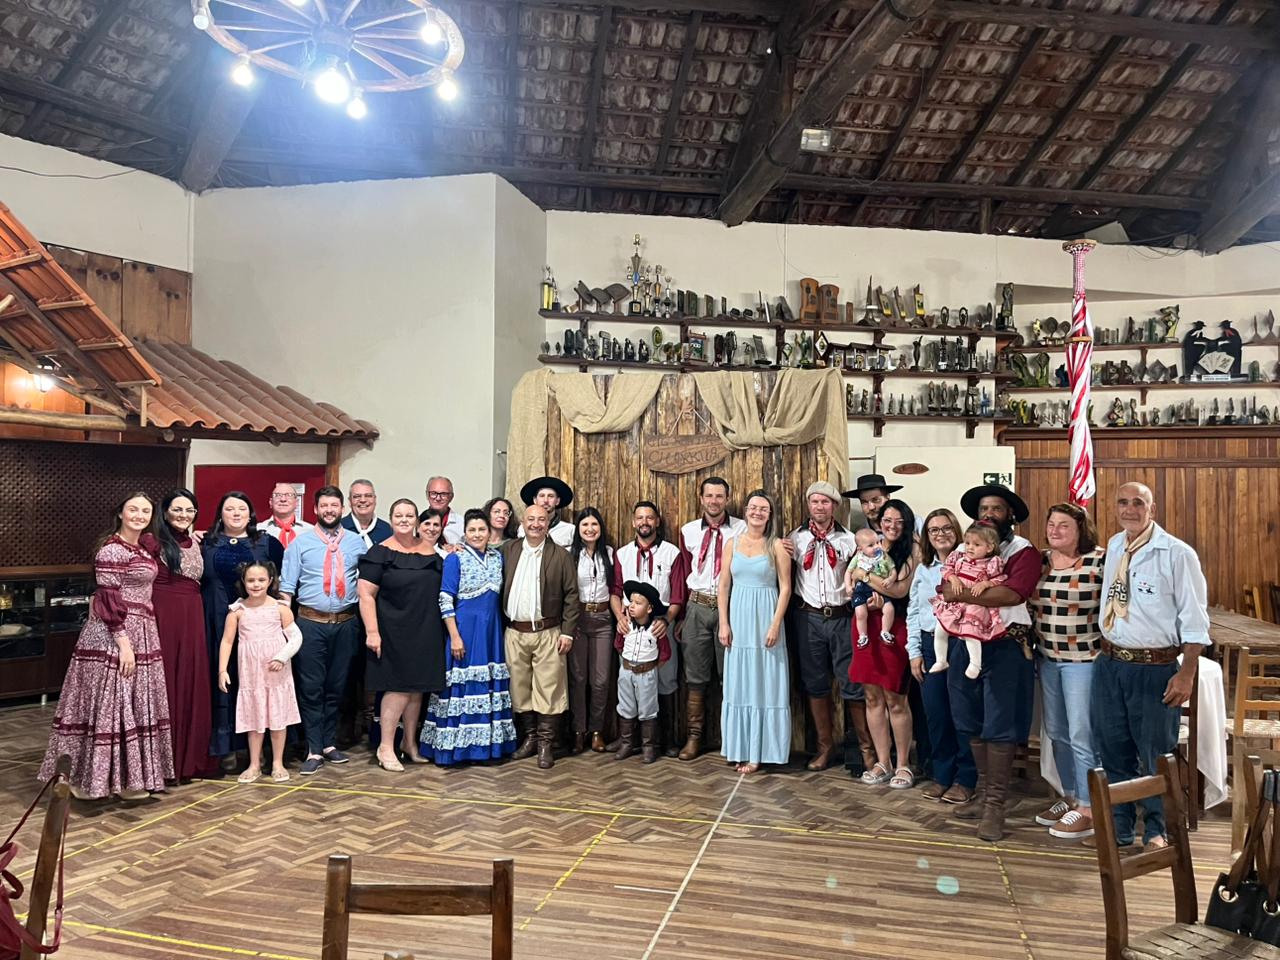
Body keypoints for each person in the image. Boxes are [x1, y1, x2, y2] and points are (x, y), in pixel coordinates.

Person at [1095, 481, 1208, 851]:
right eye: (1123, 502)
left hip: (1154, 667)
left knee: (1155, 754)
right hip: (1110, 663)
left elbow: (1195, 619)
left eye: (1138, 503)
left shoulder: (1177, 554)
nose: (1130, 509)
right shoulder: (1115, 545)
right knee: (1113, 748)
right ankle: (1121, 828)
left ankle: (1158, 829)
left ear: (1152, 509)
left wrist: (1187, 672)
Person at [40, 493, 174, 801]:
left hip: (143, 629)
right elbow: (107, 600)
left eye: (145, 511)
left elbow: (159, 549)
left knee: (131, 704)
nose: (139, 515)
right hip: (114, 634)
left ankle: (125, 779)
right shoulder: (112, 550)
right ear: (120, 513)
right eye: (133, 509)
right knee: (110, 704)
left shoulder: (142, 546)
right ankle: (88, 781)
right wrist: (124, 644)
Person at [945, 483, 1040, 842]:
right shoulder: (965, 549)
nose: (989, 514)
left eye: (997, 509)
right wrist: (976, 593)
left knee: (999, 723)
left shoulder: (1022, 551)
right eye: (984, 508)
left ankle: (996, 806)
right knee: (968, 719)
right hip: (965, 641)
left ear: (1010, 515)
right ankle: (984, 794)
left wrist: (966, 593)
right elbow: (945, 588)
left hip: (1005, 646)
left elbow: (1013, 593)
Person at [280, 485, 367, 776]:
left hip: (345, 623)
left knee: (337, 686)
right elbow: (287, 589)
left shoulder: (356, 543)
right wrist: (283, 628)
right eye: (324, 506)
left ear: (343, 509)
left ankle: (329, 743)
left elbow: (368, 583)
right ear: (316, 509)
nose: (329, 510)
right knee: (311, 687)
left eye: (334, 505)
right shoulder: (300, 544)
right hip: (310, 624)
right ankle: (313, 748)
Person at [1030, 502, 1105, 841]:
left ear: (1080, 530)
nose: (1055, 530)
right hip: (1047, 657)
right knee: (1057, 732)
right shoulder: (1040, 561)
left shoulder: (1098, 560)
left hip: (1084, 660)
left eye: (1064, 525)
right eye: (1051, 524)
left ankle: (1090, 807)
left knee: (1081, 734)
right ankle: (1071, 796)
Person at [421, 509, 516, 765]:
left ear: (489, 532)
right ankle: (458, 749)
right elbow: (445, 598)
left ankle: (486, 748)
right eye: (471, 530)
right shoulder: (456, 558)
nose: (476, 534)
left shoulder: (497, 557)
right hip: (465, 629)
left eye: (481, 529)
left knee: (488, 685)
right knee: (461, 687)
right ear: (464, 532)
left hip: (491, 631)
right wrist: (455, 635)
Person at [359, 498, 446, 771]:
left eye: (409, 515)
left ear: (417, 520)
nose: (404, 520)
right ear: (391, 519)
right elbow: (365, 595)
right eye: (399, 515)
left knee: (416, 689)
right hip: (392, 631)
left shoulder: (431, 551)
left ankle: (409, 743)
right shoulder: (379, 552)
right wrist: (372, 631)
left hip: (426, 628)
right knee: (398, 687)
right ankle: (386, 746)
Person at [202, 491, 283, 766]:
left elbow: (281, 583)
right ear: (220, 514)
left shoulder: (268, 543)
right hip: (215, 621)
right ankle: (225, 746)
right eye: (229, 509)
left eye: (242, 509)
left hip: (257, 626)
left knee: (256, 682)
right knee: (223, 679)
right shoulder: (206, 542)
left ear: (251, 514)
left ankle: (256, 749)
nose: (236, 513)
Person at [718, 490, 792, 774]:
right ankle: (740, 747)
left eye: (763, 508)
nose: (757, 512)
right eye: (753, 507)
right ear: (746, 511)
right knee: (740, 683)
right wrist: (724, 623)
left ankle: (760, 752)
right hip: (739, 620)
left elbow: (785, 588)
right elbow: (724, 586)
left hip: (766, 619)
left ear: (770, 515)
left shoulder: (777, 546)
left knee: (765, 683)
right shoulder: (732, 543)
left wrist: (775, 624)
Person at [501, 504, 580, 769]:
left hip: (548, 632)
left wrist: (567, 632)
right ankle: (530, 738)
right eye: (531, 519)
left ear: (549, 523)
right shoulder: (509, 550)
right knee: (519, 688)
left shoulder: (561, 556)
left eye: (541, 519)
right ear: (522, 522)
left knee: (550, 688)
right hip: (515, 632)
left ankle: (546, 743)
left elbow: (572, 596)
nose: (536, 524)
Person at [848, 499, 919, 789]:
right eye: (888, 520)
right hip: (865, 625)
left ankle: (903, 764)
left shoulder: (913, 548)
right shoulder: (869, 544)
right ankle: (883, 762)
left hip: (894, 627)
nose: (892, 526)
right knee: (872, 696)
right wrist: (859, 580)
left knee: (895, 698)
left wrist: (864, 575)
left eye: (899, 521)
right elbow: (850, 580)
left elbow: (899, 590)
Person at [908, 509, 976, 804]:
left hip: (961, 642)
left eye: (946, 528)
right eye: (933, 530)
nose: (940, 534)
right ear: (927, 536)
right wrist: (914, 652)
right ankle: (942, 775)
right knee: (936, 714)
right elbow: (913, 611)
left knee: (962, 713)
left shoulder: (970, 562)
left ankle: (966, 778)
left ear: (956, 530)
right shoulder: (924, 569)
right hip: (929, 643)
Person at [789, 481, 858, 771]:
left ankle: (862, 749)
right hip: (809, 618)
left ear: (835, 506)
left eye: (826, 502)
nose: (820, 507)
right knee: (815, 682)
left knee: (852, 682)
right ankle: (824, 747)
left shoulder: (850, 540)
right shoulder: (795, 539)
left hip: (842, 617)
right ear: (808, 505)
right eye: (815, 502)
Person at [677, 477, 746, 761]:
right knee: (695, 676)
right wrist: (682, 615)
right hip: (697, 605)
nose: (714, 501)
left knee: (730, 676)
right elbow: (683, 572)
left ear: (727, 498)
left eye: (719, 496)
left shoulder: (741, 528)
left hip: (730, 608)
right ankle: (694, 737)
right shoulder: (688, 531)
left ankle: (733, 740)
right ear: (701, 498)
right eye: (709, 496)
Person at [612, 500, 687, 757]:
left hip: (660, 625)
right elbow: (615, 591)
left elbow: (677, 596)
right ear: (633, 522)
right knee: (629, 680)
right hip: (630, 627)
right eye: (640, 517)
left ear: (657, 521)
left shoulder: (671, 553)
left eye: (649, 517)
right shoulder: (622, 554)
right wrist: (619, 617)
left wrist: (666, 621)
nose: (644, 522)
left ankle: (666, 740)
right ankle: (631, 741)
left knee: (665, 680)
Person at [217, 561, 302, 784]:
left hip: (276, 673)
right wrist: (222, 670)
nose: (256, 584)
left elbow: (295, 638)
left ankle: (277, 763)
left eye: (261, 580)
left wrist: (281, 657)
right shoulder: (237, 611)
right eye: (251, 580)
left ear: (270, 581)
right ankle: (254, 764)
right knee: (254, 719)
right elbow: (227, 641)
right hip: (251, 675)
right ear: (243, 582)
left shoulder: (280, 608)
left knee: (278, 717)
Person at [152, 488, 213, 782]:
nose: (183, 515)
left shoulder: (198, 541)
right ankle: (161, 762)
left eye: (189, 510)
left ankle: (187, 759)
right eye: (177, 509)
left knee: (189, 678)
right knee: (164, 682)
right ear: (165, 513)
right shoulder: (152, 542)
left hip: (193, 615)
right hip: (163, 615)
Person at [929, 521, 1008, 680]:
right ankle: (941, 660)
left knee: (971, 632)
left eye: (976, 544)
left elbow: (1001, 579)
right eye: (968, 543)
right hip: (957, 602)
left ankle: (975, 664)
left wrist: (985, 584)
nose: (970, 547)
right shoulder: (959, 559)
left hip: (975, 603)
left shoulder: (991, 563)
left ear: (989, 547)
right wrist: (953, 578)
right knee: (940, 628)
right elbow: (946, 569)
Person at [570, 507, 616, 753]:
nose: (590, 529)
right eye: (585, 525)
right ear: (578, 529)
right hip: (578, 618)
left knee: (601, 680)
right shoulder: (571, 555)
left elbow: (616, 588)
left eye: (594, 524)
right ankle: (579, 731)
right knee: (578, 678)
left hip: (603, 620)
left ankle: (597, 731)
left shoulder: (609, 553)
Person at [614, 581, 671, 763]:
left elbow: (665, 653)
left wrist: (651, 667)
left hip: (647, 674)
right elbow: (618, 645)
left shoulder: (655, 629)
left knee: (648, 709)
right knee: (626, 706)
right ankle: (627, 743)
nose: (632, 606)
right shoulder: (625, 626)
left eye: (638, 603)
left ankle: (649, 746)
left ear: (649, 608)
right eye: (631, 601)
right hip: (626, 671)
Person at [848, 528, 896, 649]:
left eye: (878, 542)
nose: (876, 546)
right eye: (871, 545)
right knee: (860, 613)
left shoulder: (884, 556)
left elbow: (893, 570)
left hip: (879, 587)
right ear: (860, 549)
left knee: (889, 609)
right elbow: (848, 572)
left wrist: (890, 579)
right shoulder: (858, 558)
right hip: (861, 589)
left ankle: (885, 631)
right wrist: (848, 586)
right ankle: (863, 635)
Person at [845, 473, 924, 537]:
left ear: (887, 497)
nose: (871, 507)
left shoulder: (915, 523)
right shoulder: (861, 536)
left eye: (876, 500)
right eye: (864, 502)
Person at [519, 476, 576, 548]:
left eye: (551, 496)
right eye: (542, 496)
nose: (546, 500)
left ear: (557, 501)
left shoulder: (569, 530)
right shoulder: (523, 528)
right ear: (535, 500)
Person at [343, 479, 392, 549]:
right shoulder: (340, 528)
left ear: (375, 500)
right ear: (349, 501)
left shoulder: (387, 530)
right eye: (357, 496)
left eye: (368, 496)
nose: (363, 500)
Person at [425, 476, 465, 545]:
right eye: (433, 493)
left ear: (451, 497)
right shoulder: (418, 522)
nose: (438, 498)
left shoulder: (462, 523)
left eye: (443, 494)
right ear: (427, 495)